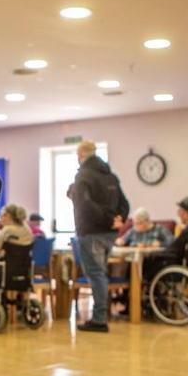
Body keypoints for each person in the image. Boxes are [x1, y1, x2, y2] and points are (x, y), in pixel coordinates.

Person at [70, 140, 129, 333]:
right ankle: (100, 316)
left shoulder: (83, 176)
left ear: (81, 155)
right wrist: (118, 219)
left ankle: (99, 319)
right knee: (101, 274)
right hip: (109, 234)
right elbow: (124, 203)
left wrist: (107, 219)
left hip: (91, 231)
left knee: (96, 275)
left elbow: (85, 206)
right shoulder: (110, 175)